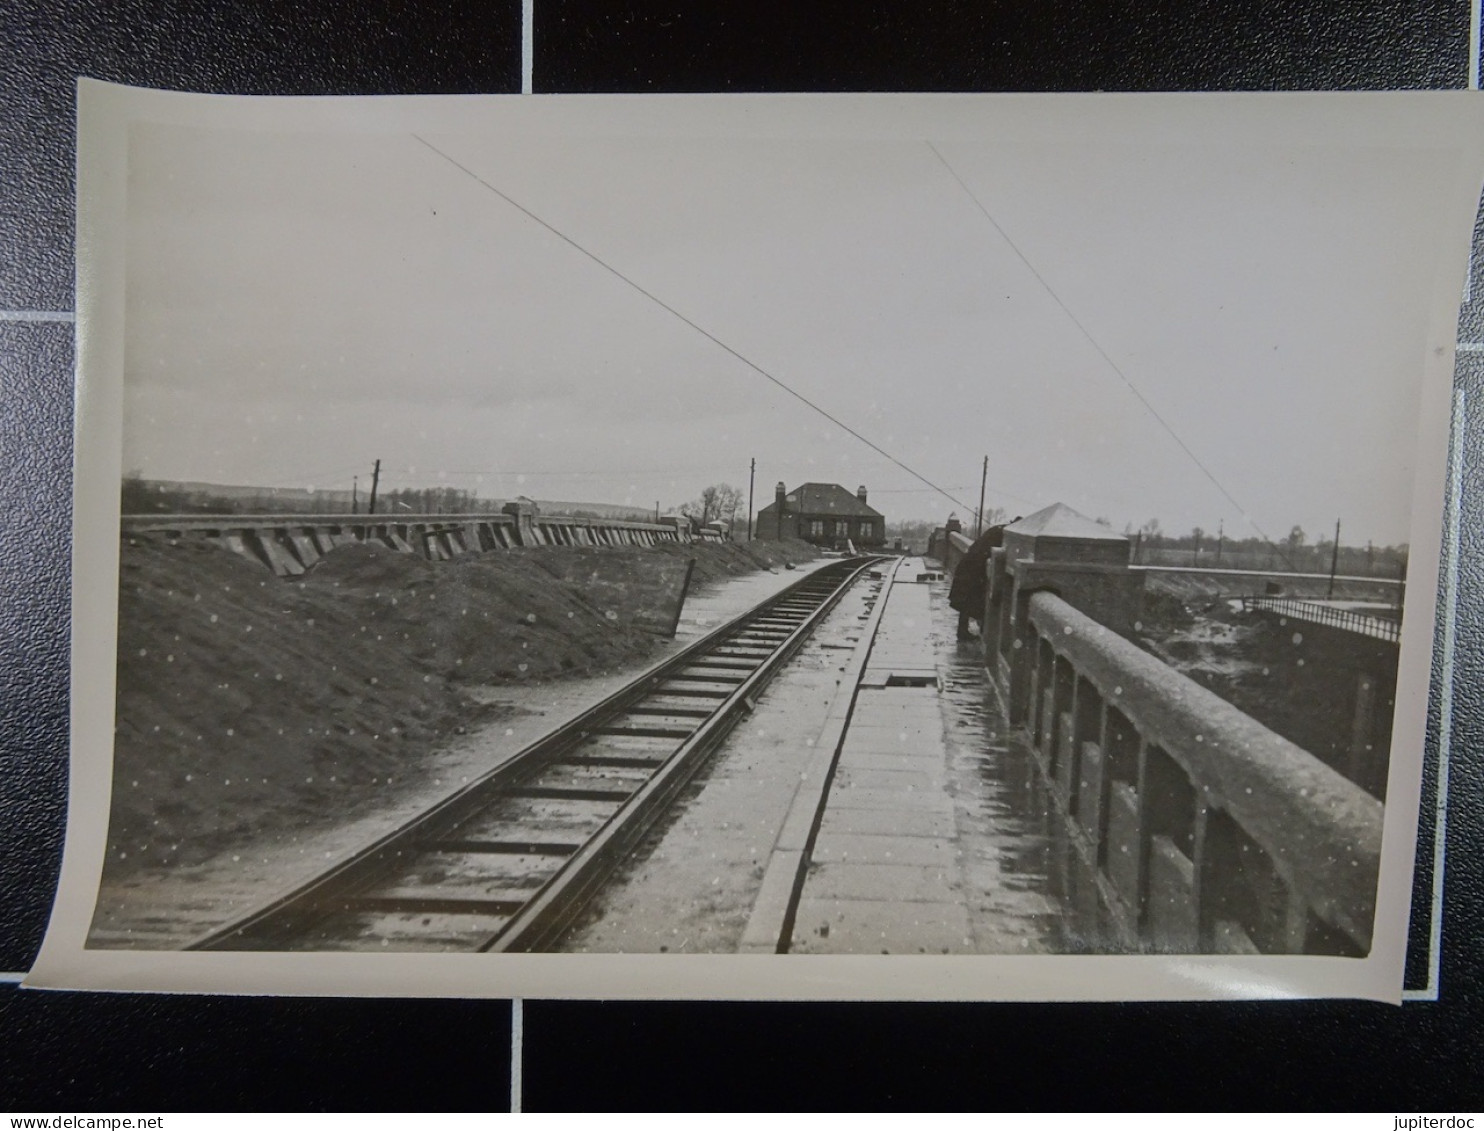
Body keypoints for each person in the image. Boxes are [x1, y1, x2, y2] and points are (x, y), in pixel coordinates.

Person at [948, 520, 1014, 640]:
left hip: (970, 564)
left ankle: (963, 631)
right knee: (969, 599)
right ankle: (965, 633)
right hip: (974, 568)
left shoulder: (997, 530)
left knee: (966, 601)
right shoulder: (1004, 534)